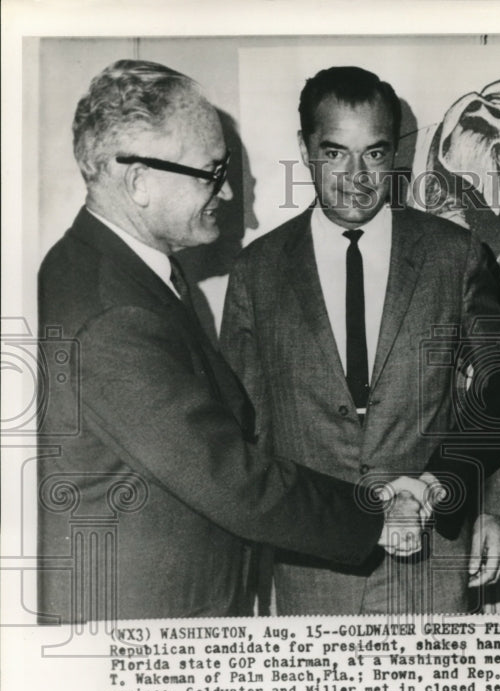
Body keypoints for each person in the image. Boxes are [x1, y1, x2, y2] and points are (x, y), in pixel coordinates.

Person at [36, 59, 400, 623]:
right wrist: (378, 516)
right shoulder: (114, 312)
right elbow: (227, 475)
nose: (227, 192)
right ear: (138, 181)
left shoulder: (119, 272)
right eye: (210, 172)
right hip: (141, 629)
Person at [221, 66, 500, 615]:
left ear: (398, 153)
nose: (358, 176)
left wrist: (497, 510)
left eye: (376, 154)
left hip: (432, 556)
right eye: (336, 153)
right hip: (310, 567)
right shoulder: (257, 272)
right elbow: (245, 431)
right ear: (305, 147)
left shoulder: (453, 255)